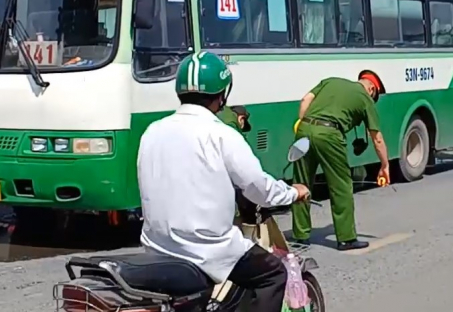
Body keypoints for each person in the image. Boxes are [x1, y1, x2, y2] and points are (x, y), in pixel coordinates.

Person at [137, 51, 310, 312]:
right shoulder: (221, 135)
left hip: (157, 247)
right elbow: (259, 188)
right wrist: (293, 193)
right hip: (207, 250)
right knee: (273, 273)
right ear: (222, 95)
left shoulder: (152, 131)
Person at [291, 70, 390, 251]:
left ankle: (300, 235)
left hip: (304, 130)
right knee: (341, 185)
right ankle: (346, 238)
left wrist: (302, 123)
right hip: (330, 134)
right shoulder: (364, 98)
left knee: (301, 183)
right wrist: (385, 165)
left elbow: (305, 100)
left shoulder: (331, 81)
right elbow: (377, 138)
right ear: (372, 90)